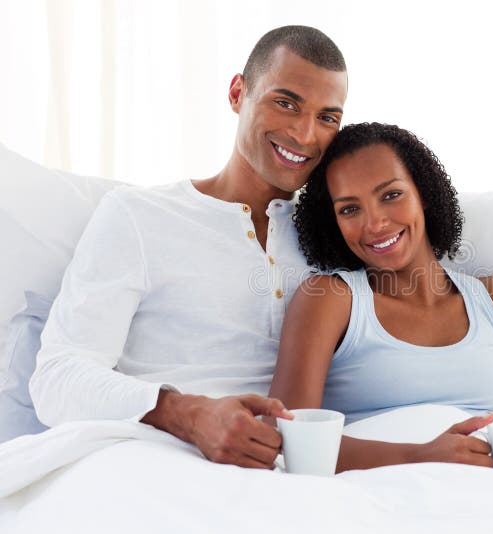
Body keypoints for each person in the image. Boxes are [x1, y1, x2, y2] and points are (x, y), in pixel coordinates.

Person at [29, 26, 348, 470]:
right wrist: (187, 413)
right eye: (286, 103)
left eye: (327, 118)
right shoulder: (138, 215)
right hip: (160, 458)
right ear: (238, 92)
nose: (305, 134)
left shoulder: (337, 234)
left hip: (292, 468)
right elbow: (56, 378)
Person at [269, 123, 493, 473]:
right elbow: (289, 439)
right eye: (350, 209)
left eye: (391, 195)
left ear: (424, 193)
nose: (375, 223)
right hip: (382, 498)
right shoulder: (328, 300)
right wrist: (418, 456)